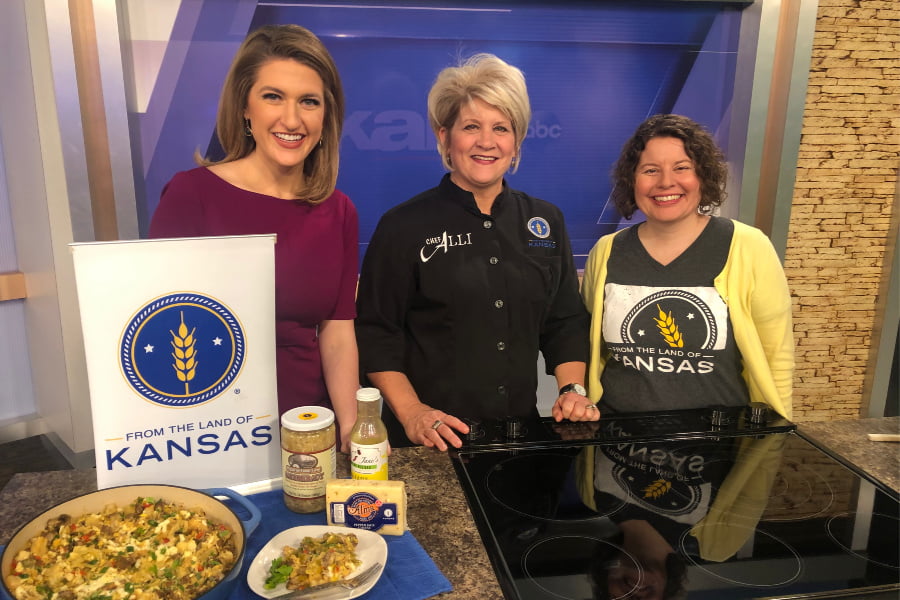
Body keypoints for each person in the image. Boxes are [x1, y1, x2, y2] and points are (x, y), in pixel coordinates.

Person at [355, 53, 597, 451]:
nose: (487, 142)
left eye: (501, 128)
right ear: (444, 136)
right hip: (431, 441)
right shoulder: (403, 226)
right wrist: (412, 412)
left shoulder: (546, 220)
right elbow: (377, 333)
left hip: (517, 440)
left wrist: (571, 388)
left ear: (516, 142)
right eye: (471, 127)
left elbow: (564, 319)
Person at [149, 24, 359, 451]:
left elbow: (337, 334)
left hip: (306, 433)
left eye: (309, 102)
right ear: (245, 107)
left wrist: (354, 434)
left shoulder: (339, 211)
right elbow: (159, 328)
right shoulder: (191, 195)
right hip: (209, 436)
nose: (292, 119)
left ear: (326, 116)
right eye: (273, 96)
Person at [582, 114, 793, 419]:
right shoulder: (606, 252)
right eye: (650, 170)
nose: (666, 182)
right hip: (616, 441)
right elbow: (589, 348)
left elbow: (778, 356)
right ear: (632, 180)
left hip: (718, 445)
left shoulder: (749, 246)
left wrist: (775, 435)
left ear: (703, 175)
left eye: (681, 168)